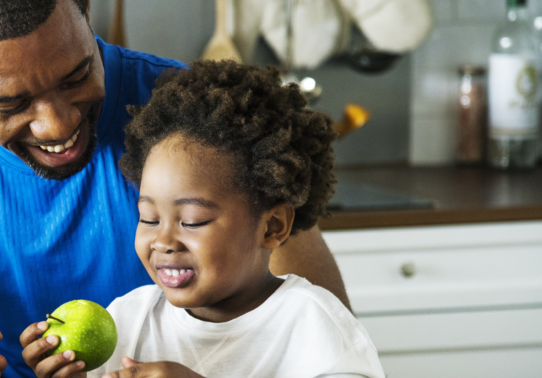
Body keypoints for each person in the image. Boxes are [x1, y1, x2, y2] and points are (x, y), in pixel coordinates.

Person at [0, 0, 351, 376]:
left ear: (86, 10)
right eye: (11, 103)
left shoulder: (205, 128)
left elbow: (312, 336)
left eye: (76, 75)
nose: (56, 125)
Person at [20, 60, 384, 378]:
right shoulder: (130, 319)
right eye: (148, 218)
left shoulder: (313, 324)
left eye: (191, 221)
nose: (162, 241)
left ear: (272, 227)